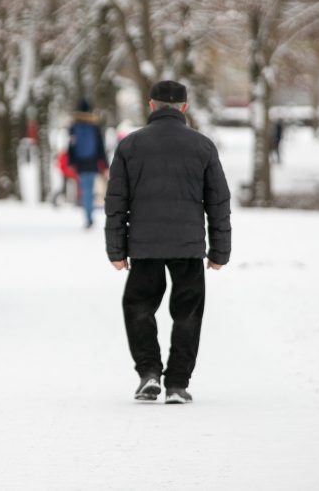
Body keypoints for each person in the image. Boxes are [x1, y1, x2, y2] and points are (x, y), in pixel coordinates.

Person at [105, 80, 231, 405]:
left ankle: (148, 372)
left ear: (151, 105)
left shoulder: (130, 146)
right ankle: (177, 383)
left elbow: (116, 202)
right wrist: (220, 251)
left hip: (144, 245)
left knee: (138, 307)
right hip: (188, 246)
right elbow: (218, 203)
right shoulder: (203, 147)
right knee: (187, 312)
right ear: (184, 108)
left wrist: (116, 250)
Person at [68, 99, 107, 229]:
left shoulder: (74, 126)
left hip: (80, 163)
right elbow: (101, 146)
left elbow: (71, 145)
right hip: (93, 161)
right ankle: (90, 216)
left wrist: (71, 161)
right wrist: (105, 164)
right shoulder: (95, 126)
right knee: (90, 188)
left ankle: (88, 216)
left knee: (85, 189)